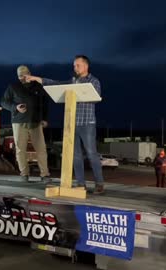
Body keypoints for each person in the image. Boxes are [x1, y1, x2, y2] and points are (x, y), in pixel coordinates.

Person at [24, 55, 104, 194]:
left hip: (87, 124)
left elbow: (96, 97)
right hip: (71, 124)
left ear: (86, 66)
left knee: (91, 153)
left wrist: (80, 89)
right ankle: (80, 184)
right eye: (74, 65)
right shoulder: (73, 80)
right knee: (76, 155)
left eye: (77, 65)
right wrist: (38, 79)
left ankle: (99, 184)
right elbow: (56, 84)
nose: (75, 68)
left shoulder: (94, 80)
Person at [1, 65, 51, 183]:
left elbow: (45, 104)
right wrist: (15, 107)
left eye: (24, 75)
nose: (22, 78)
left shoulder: (38, 86)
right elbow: (3, 102)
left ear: (29, 73)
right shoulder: (13, 87)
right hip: (19, 121)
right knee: (20, 149)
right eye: (19, 76)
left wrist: (44, 118)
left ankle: (45, 175)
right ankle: (24, 174)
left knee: (41, 149)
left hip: (36, 121)